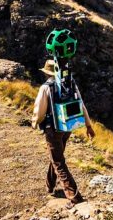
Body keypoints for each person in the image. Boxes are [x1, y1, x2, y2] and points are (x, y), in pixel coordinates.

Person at [32, 59, 95, 207]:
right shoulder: (70, 83)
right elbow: (81, 103)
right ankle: (50, 185)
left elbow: (39, 109)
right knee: (56, 156)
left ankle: (74, 195)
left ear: (47, 73)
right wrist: (88, 125)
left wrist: (34, 122)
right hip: (67, 126)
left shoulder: (46, 87)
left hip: (52, 129)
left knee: (58, 161)